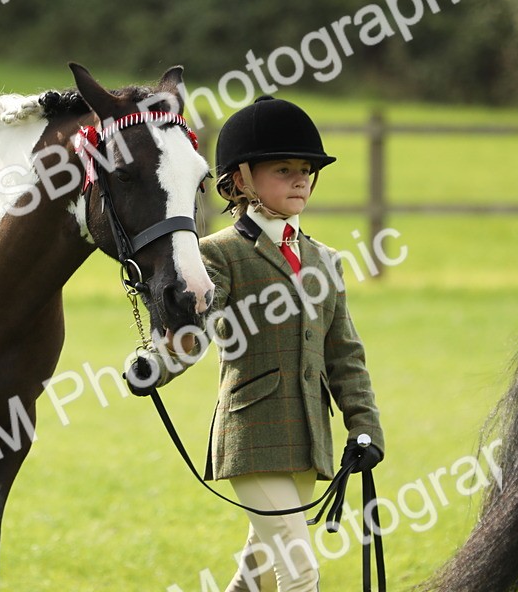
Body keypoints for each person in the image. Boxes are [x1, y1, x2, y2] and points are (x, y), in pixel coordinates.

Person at [127, 95, 385, 592]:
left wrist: (364, 426)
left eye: (306, 169)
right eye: (283, 169)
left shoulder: (326, 260)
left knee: (258, 578)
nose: (300, 179)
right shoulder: (217, 253)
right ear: (240, 181)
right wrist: (154, 365)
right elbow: (194, 328)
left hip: (309, 437)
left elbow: (345, 355)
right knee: (299, 572)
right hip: (251, 435)